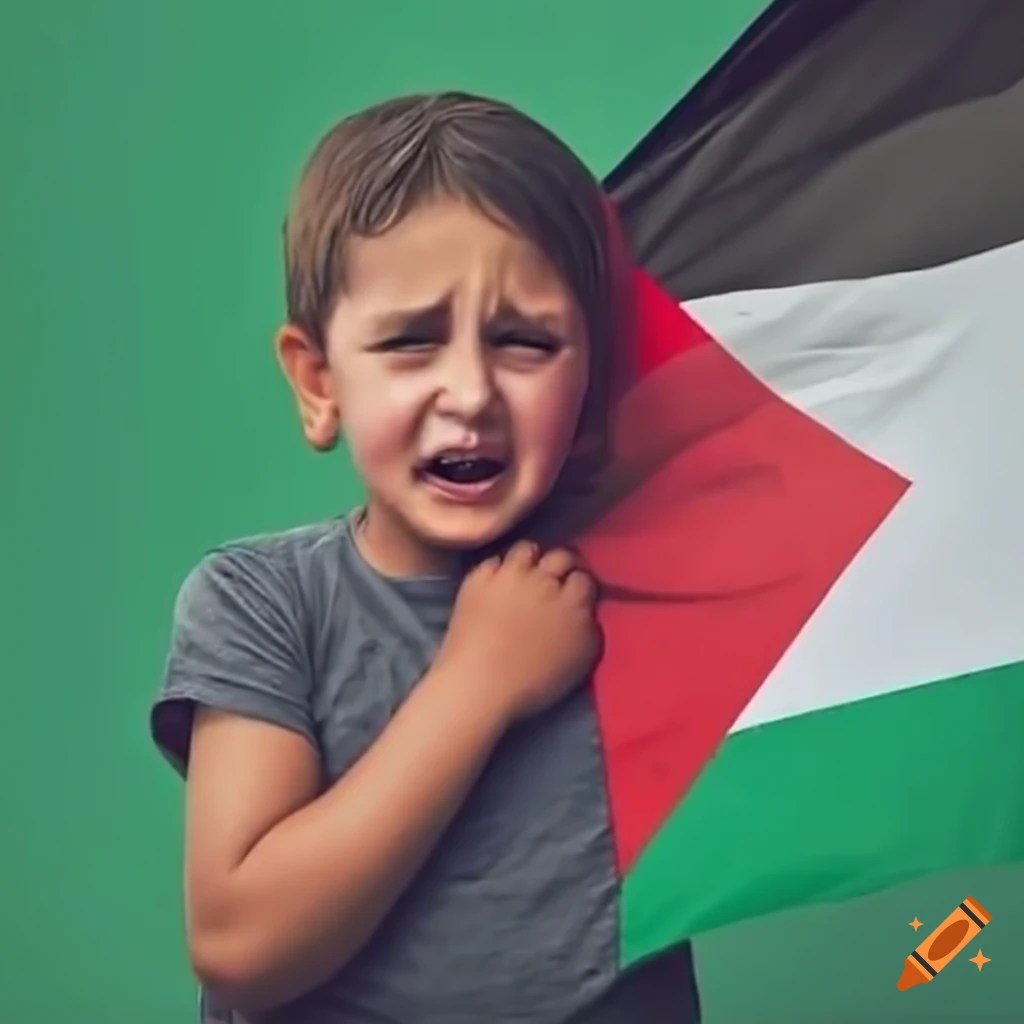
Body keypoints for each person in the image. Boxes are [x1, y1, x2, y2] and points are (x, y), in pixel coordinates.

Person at [151, 91, 701, 1024]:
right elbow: (241, 944)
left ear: (593, 375)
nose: (471, 392)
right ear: (318, 383)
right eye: (412, 341)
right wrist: (480, 680)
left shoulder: (655, 591)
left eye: (524, 341)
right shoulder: (263, 601)